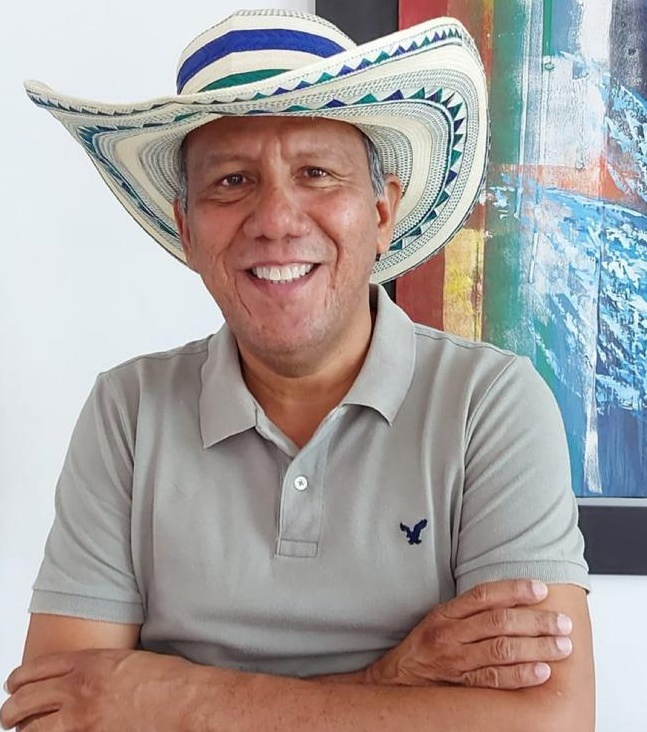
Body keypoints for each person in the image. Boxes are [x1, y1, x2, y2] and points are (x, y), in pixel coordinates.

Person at [1, 8, 594, 731]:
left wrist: (172, 697)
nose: (277, 219)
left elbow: (551, 721)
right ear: (187, 229)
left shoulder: (489, 403)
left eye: (316, 173)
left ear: (382, 212)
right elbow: (55, 711)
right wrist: (387, 681)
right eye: (231, 181)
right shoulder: (128, 409)